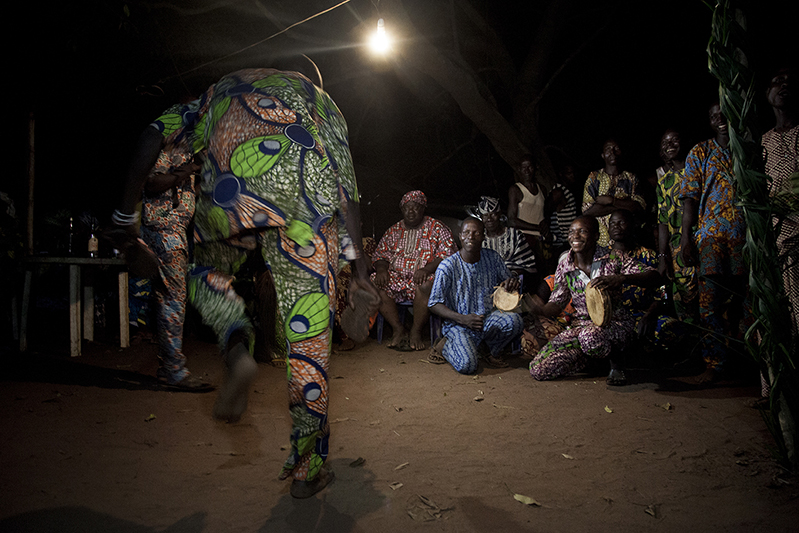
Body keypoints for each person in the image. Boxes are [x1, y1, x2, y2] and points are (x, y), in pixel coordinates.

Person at [109, 68, 379, 499]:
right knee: (306, 333)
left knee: (202, 274)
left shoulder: (219, 94)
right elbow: (346, 191)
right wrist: (359, 268)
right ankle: (308, 466)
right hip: (304, 195)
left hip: (230, 189)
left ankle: (236, 344)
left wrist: (125, 219)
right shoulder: (324, 107)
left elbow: (149, 138)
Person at [528, 216, 660, 385]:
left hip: (615, 324)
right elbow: (557, 302)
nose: (575, 236)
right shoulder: (565, 265)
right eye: (571, 232)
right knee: (539, 369)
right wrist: (540, 309)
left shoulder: (613, 257)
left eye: (582, 231)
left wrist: (622, 278)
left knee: (589, 337)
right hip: (582, 327)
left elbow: (654, 276)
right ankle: (593, 359)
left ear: (596, 236)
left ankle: (617, 360)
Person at [680, 103, 748, 384]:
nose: (720, 119)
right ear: (709, 121)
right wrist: (686, 236)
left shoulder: (746, 149)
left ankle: (747, 365)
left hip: (746, 240)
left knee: (746, 304)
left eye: (724, 113)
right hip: (711, 238)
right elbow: (689, 198)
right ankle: (713, 364)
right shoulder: (700, 151)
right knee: (709, 303)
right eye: (713, 116)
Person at [139, 137, 211, 390]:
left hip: (176, 230)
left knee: (170, 296)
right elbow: (152, 183)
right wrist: (187, 170)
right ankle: (173, 371)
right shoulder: (168, 148)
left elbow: (186, 195)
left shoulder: (190, 154)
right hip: (163, 228)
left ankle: (167, 367)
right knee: (173, 297)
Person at [428, 217, 524, 374]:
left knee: (515, 321)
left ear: (484, 236)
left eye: (476, 233)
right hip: (458, 325)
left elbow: (508, 281)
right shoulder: (447, 266)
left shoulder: (492, 258)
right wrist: (462, 318)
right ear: (460, 236)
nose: (470, 237)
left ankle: (490, 351)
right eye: (466, 233)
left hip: (486, 321)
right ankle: (444, 346)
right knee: (468, 365)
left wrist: (511, 283)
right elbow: (433, 303)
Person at [372, 190, 456, 351]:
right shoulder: (393, 230)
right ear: (402, 210)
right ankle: (398, 328)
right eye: (406, 208)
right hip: (398, 279)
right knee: (375, 281)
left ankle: (415, 331)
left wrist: (427, 269)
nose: (410, 211)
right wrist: (382, 269)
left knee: (426, 284)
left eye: (415, 207)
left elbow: (448, 255)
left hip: (424, 280)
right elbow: (380, 254)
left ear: (423, 208)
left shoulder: (437, 228)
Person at [608, 209, 680, 351]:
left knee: (670, 329)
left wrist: (649, 315)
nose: (616, 226)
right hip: (614, 319)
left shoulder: (649, 256)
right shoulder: (601, 257)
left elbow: (662, 291)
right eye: (612, 223)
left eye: (621, 222)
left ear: (632, 225)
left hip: (644, 313)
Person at [762, 67, 798, 353]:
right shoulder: (763, 142)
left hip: (796, 232)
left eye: (789, 82)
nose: (783, 86)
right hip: (772, 238)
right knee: (773, 311)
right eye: (777, 82)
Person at [654, 129, 698, 322]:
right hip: (677, 251)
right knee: (684, 304)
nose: (669, 145)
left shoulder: (697, 172)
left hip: (701, 243)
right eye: (665, 142)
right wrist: (663, 256)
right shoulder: (663, 183)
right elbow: (662, 222)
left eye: (674, 140)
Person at [582, 139, 645, 248]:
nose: (612, 152)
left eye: (616, 148)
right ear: (603, 155)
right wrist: (623, 206)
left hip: (629, 242)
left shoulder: (631, 178)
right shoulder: (594, 177)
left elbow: (639, 207)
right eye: (608, 149)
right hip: (601, 242)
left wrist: (611, 201)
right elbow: (587, 211)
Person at [476, 196, 537, 279]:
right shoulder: (479, 239)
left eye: (493, 214)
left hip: (513, 281)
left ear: (499, 214)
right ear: (481, 218)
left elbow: (527, 264)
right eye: (485, 216)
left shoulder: (514, 235)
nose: (489, 219)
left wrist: (512, 275)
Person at [508, 154, 549, 259]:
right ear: (519, 169)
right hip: (523, 238)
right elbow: (512, 220)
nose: (527, 170)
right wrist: (537, 227)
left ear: (535, 168)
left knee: (545, 271)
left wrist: (544, 224)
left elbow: (545, 214)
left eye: (530, 167)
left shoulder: (542, 189)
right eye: (523, 167)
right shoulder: (516, 190)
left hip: (541, 238)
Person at [545, 163, 579, 265]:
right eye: (568, 173)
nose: (572, 175)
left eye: (573, 173)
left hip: (567, 237)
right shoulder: (558, 191)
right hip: (562, 238)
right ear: (561, 174)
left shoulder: (567, 190)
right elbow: (547, 211)